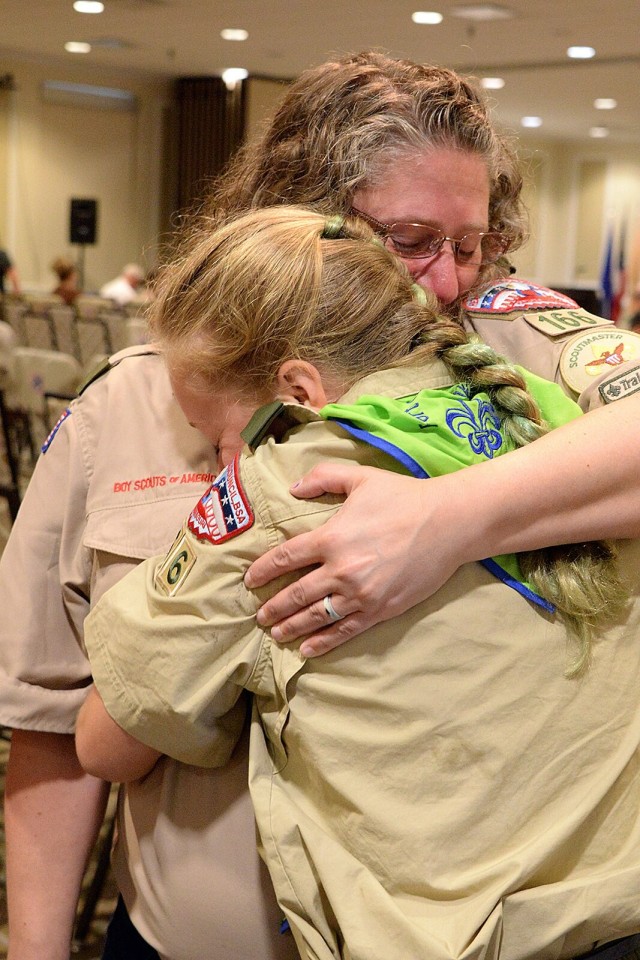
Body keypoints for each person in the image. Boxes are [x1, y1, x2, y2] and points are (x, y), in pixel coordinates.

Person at [3, 47, 640, 959]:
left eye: (473, 242)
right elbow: (54, 726)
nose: (451, 280)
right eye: (414, 239)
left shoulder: (518, 352)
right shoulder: (150, 395)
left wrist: (449, 519)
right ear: (303, 218)